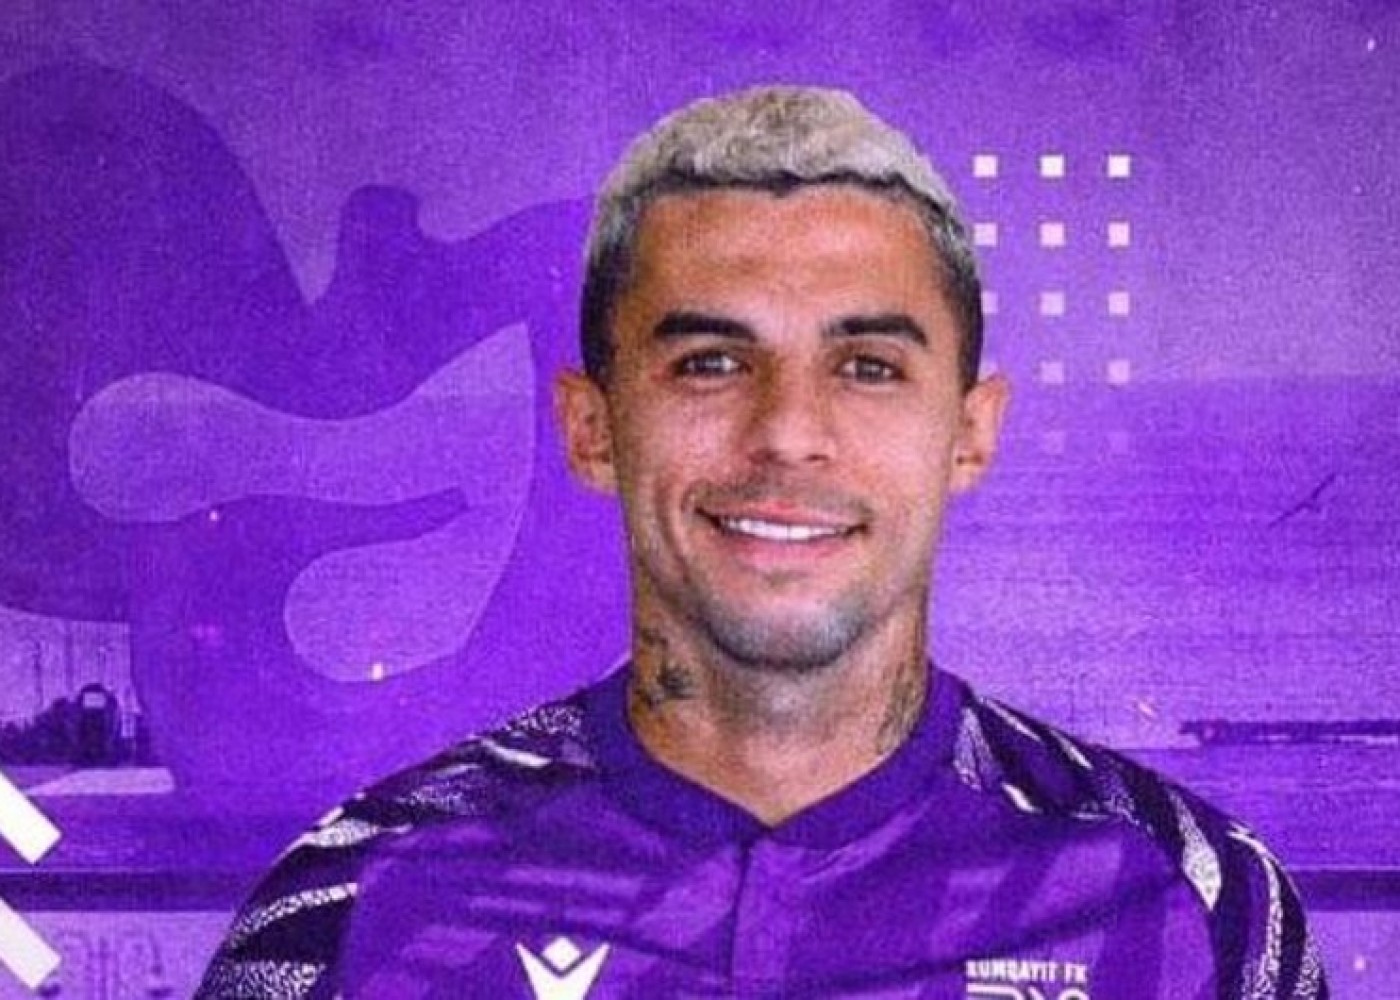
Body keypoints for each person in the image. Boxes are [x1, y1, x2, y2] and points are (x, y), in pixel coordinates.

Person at [197, 86, 1327, 999]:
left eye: (868, 367)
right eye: (710, 363)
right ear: (591, 428)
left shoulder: (1189, 905)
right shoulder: (359, 908)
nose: (787, 431)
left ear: (970, 433)